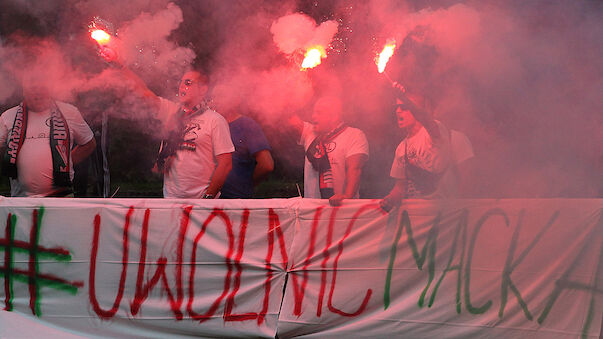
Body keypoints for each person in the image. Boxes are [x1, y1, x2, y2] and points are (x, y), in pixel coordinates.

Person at [0, 79, 96, 197]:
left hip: (61, 197)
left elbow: (88, 143)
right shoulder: (8, 116)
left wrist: (66, 162)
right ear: (24, 91)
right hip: (21, 200)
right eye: (33, 88)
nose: (38, 93)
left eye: (42, 87)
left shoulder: (69, 111)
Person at [380, 85, 452, 211]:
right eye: (397, 107)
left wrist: (404, 97)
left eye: (404, 107)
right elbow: (400, 188)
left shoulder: (434, 131)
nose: (398, 111)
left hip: (440, 214)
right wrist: (389, 200)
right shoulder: (402, 148)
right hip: (415, 216)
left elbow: (425, 119)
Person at [289, 96, 369, 206]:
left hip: (341, 209)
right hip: (312, 211)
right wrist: (287, 92)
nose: (313, 117)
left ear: (334, 117)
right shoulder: (310, 133)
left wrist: (347, 196)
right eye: (313, 112)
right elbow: (290, 119)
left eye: (319, 113)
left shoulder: (354, 135)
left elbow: (355, 169)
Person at [218, 107, 274, 199]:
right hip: (208, 198)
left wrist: (246, 185)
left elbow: (266, 165)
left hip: (236, 199)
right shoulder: (208, 123)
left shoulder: (246, 125)